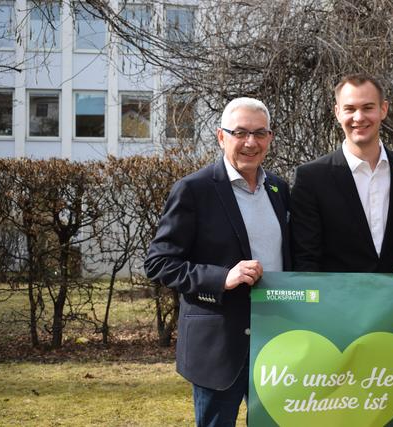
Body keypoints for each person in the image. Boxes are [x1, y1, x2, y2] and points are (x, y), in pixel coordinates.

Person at [144, 98, 290, 427]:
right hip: (220, 345)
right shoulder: (193, 190)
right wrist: (223, 277)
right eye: (240, 132)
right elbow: (159, 262)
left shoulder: (280, 189)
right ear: (221, 136)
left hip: (277, 340)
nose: (250, 142)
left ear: (270, 137)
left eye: (259, 133)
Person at [291, 74, 393, 272]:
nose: (359, 117)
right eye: (350, 109)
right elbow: (306, 259)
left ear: (383, 109)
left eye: (368, 107)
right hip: (339, 300)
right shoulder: (311, 178)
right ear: (337, 112)